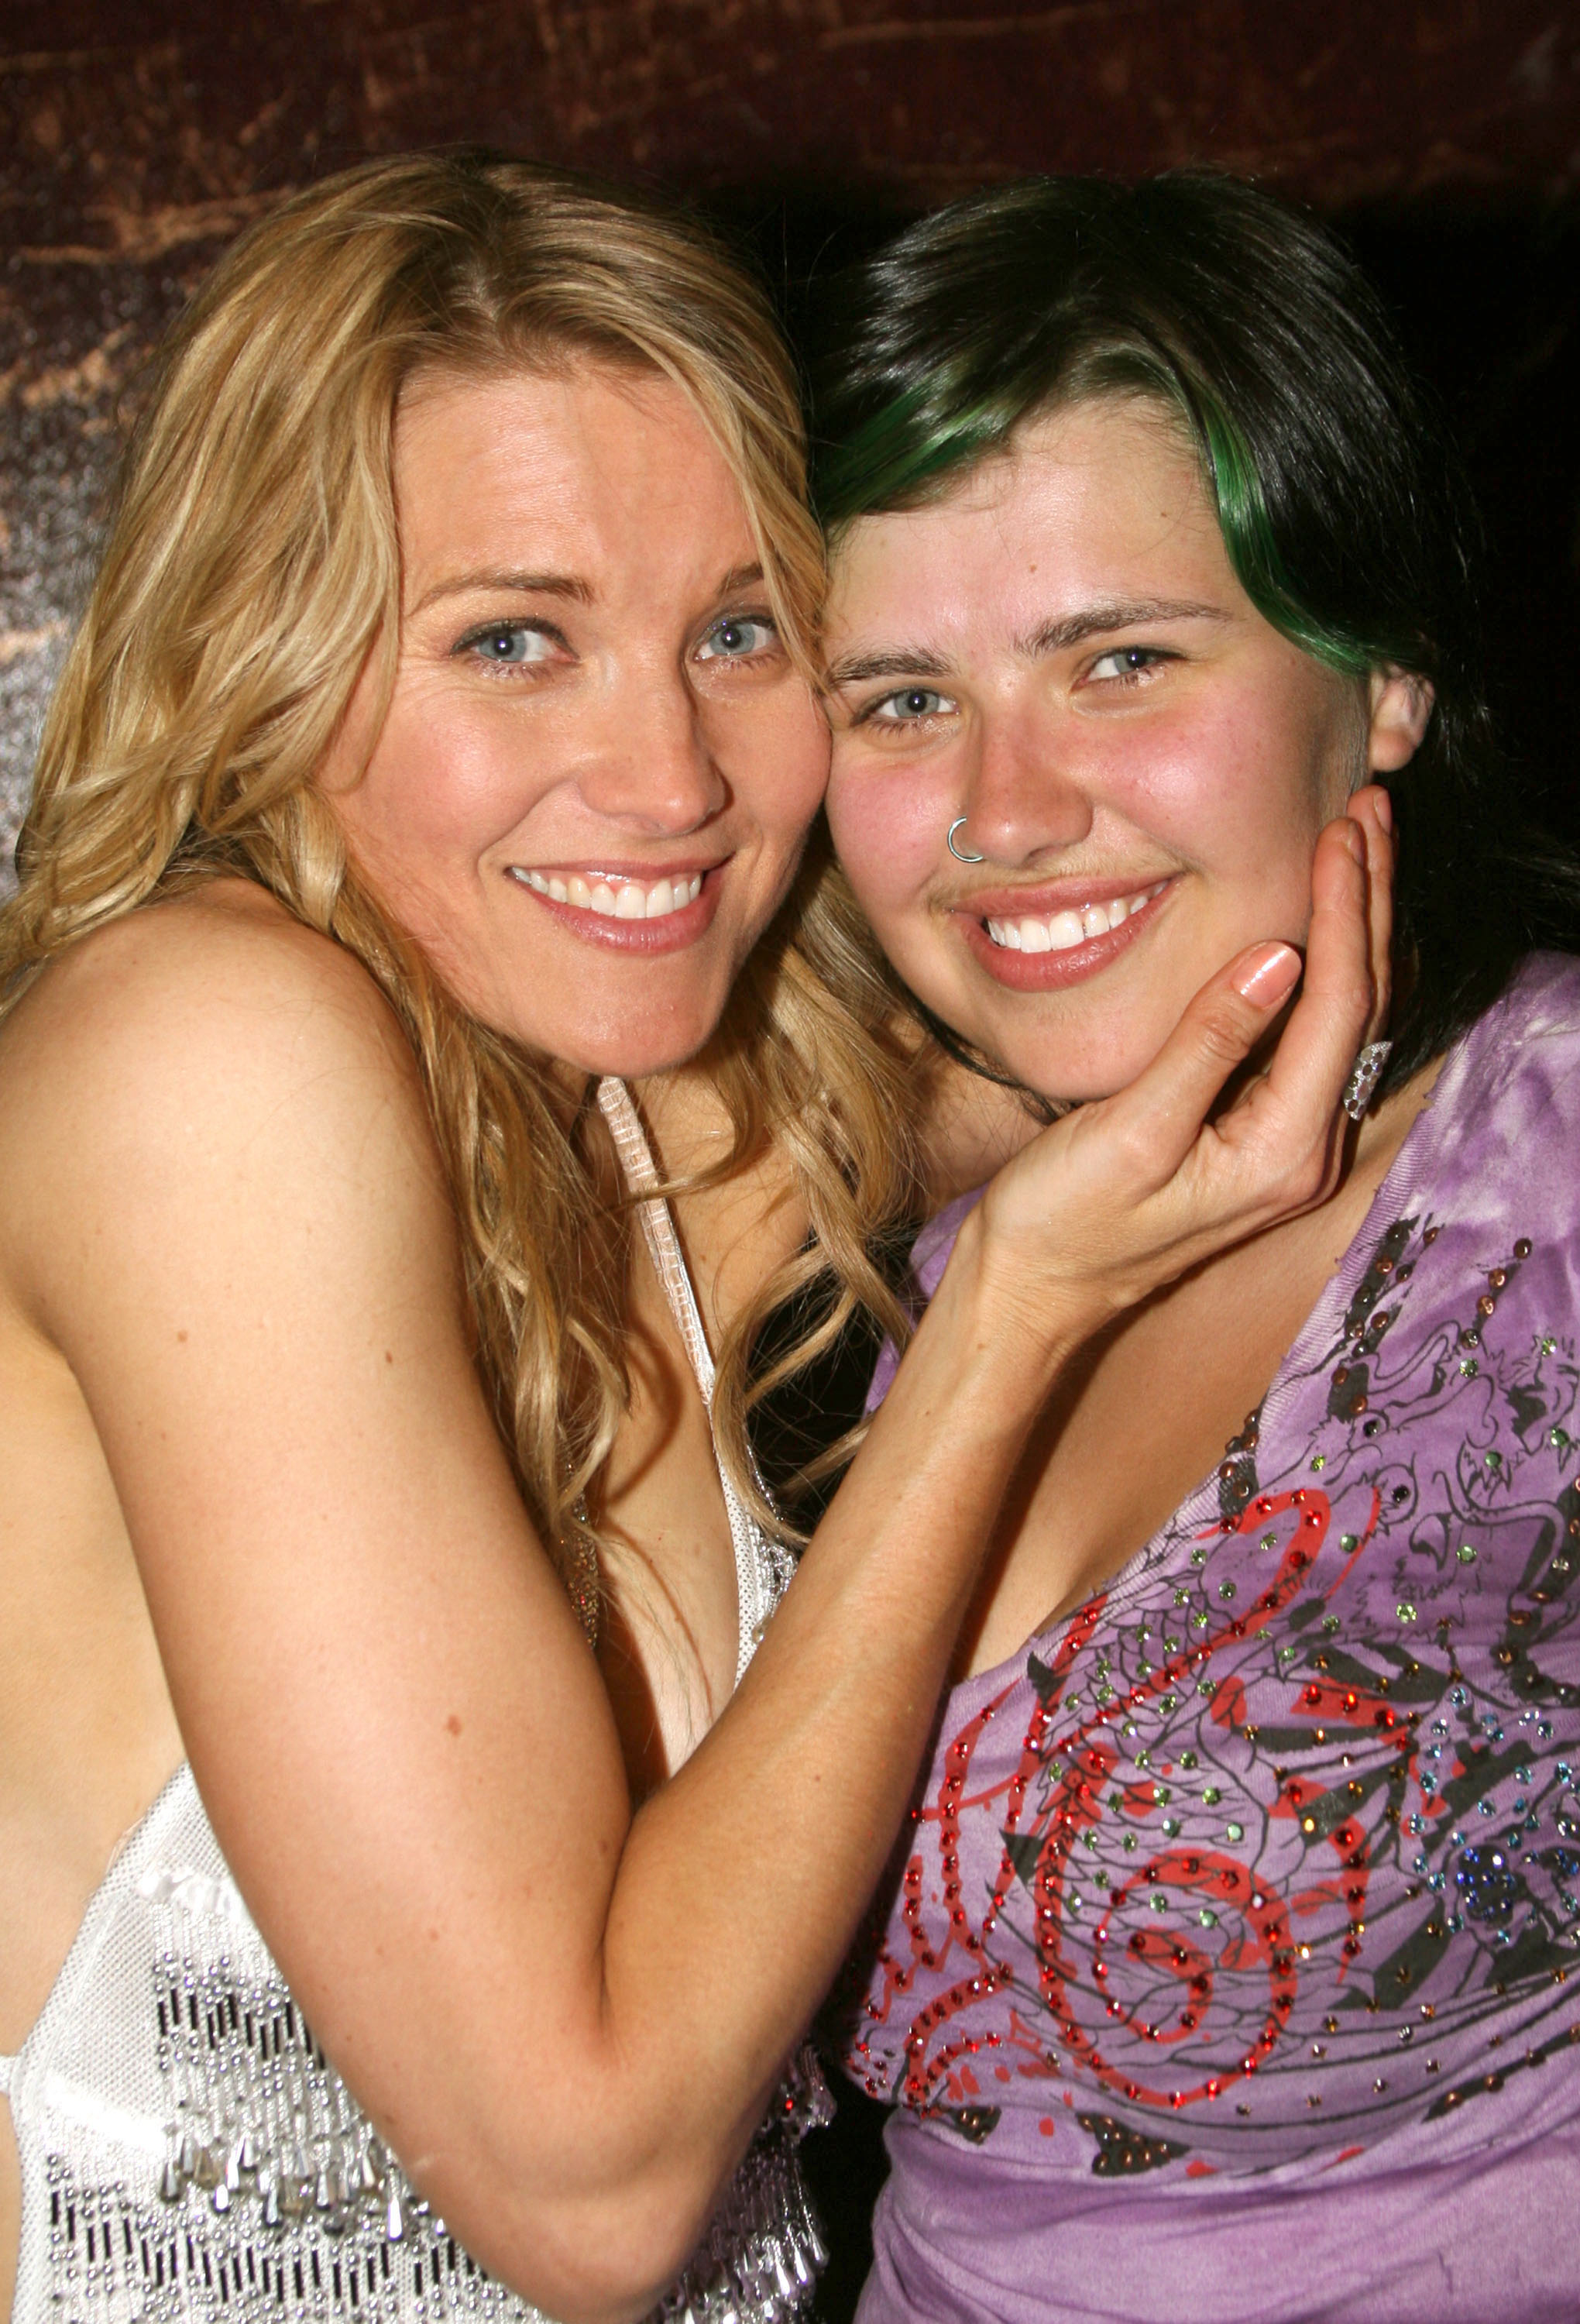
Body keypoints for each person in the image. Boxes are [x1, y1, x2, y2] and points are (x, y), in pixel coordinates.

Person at [0, 153, 1379, 2324]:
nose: (670, 779)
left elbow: (1144, 999)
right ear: (273, 659)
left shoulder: (659, 1096)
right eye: (514, 641)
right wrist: (1009, 1312)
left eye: (741, 633)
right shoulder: (205, 1058)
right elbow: (591, 2186)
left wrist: (1309, 737)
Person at [814, 171, 1580, 2323]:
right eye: (897, 700)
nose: (1005, 806)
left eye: (1120, 660)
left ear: (1388, 678)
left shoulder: (1540, 1174)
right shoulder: (923, 1236)